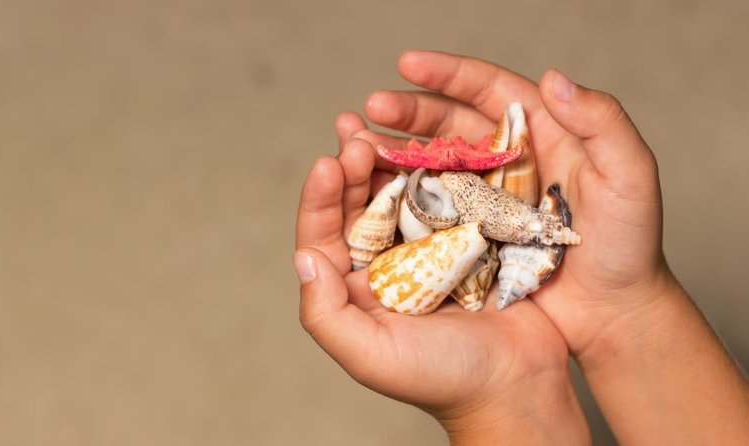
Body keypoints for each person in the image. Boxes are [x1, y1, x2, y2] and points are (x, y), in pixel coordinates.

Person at [293, 50, 749, 445]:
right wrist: (624, 309)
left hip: (497, 220)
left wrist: (621, 304)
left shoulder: (467, 188)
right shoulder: (457, 191)